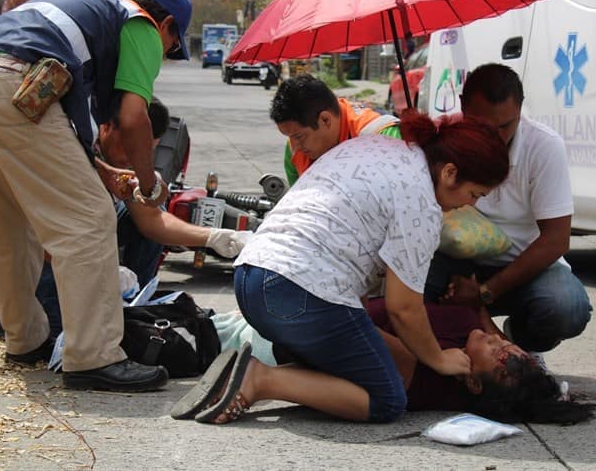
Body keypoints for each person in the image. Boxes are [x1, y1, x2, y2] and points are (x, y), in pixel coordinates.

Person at [180, 110, 510, 425]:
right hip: (294, 294)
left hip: (251, 277)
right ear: (450, 172)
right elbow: (404, 308)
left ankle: (250, 375)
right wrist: (439, 358)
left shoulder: (381, 145)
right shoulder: (421, 202)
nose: (471, 204)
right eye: (474, 194)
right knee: (388, 399)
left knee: (383, 362)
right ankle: (259, 380)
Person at [0, 0, 192, 391]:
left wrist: (98, 169)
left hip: (10, 80)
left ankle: (25, 339)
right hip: (18, 85)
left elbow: (65, 130)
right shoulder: (138, 23)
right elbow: (134, 117)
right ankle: (93, 357)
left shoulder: (72, 6)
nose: (163, 58)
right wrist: (148, 182)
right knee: (88, 220)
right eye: (171, 47)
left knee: (12, 222)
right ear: (167, 24)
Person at [36, 96, 250, 337]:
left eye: (147, 151)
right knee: (52, 336)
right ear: (107, 127)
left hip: (82, 238)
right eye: (130, 148)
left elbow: (152, 221)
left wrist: (213, 237)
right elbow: (38, 234)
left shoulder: (123, 164)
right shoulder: (68, 146)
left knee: (134, 220)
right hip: (41, 247)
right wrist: (99, 269)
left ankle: (135, 311)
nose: (134, 158)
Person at [437, 63, 592, 370]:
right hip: (458, 261)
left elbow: (556, 240)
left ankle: (522, 345)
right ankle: (455, 348)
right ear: (462, 109)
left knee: (566, 307)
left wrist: (484, 293)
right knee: (416, 278)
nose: (494, 137)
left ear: (521, 111)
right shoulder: (445, 139)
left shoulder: (544, 146)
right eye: (482, 126)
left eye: (506, 126)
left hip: (524, 265)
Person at [367, 298, 596, 424]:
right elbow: (477, 307)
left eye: (496, 350)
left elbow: (354, 325)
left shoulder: (420, 372)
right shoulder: (472, 333)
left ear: (473, 383)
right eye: (506, 343)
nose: (495, 338)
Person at [272, 74, 399, 185]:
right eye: (289, 137)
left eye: (299, 137)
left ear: (325, 120)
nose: (295, 147)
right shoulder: (294, 151)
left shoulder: (384, 139)